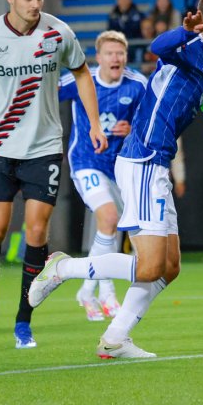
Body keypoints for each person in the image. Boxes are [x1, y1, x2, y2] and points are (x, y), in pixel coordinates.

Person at [26, 0, 203, 359]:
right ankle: (63, 267)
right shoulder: (189, 49)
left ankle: (115, 338)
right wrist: (185, 31)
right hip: (143, 161)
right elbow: (159, 48)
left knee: (169, 267)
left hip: (155, 165)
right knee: (148, 266)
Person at [0, 0, 107, 349]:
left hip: (44, 148)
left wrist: (93, 122)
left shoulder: (59, 33)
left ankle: (24, 320)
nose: (35, 4)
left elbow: (84, 73)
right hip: (0, 147)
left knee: (37, 232)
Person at [58, 30, 147, 320]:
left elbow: (152, 122)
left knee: (113, 227)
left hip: (121, 168)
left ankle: (87, 290)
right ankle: (106, 293)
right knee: (108, 218)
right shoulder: (81, 80)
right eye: (110, 53)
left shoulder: (137, 85)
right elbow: (46, 92)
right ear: (99, 58)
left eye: (120, 53)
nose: (116, 58)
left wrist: (134, 129)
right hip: (86, 160)